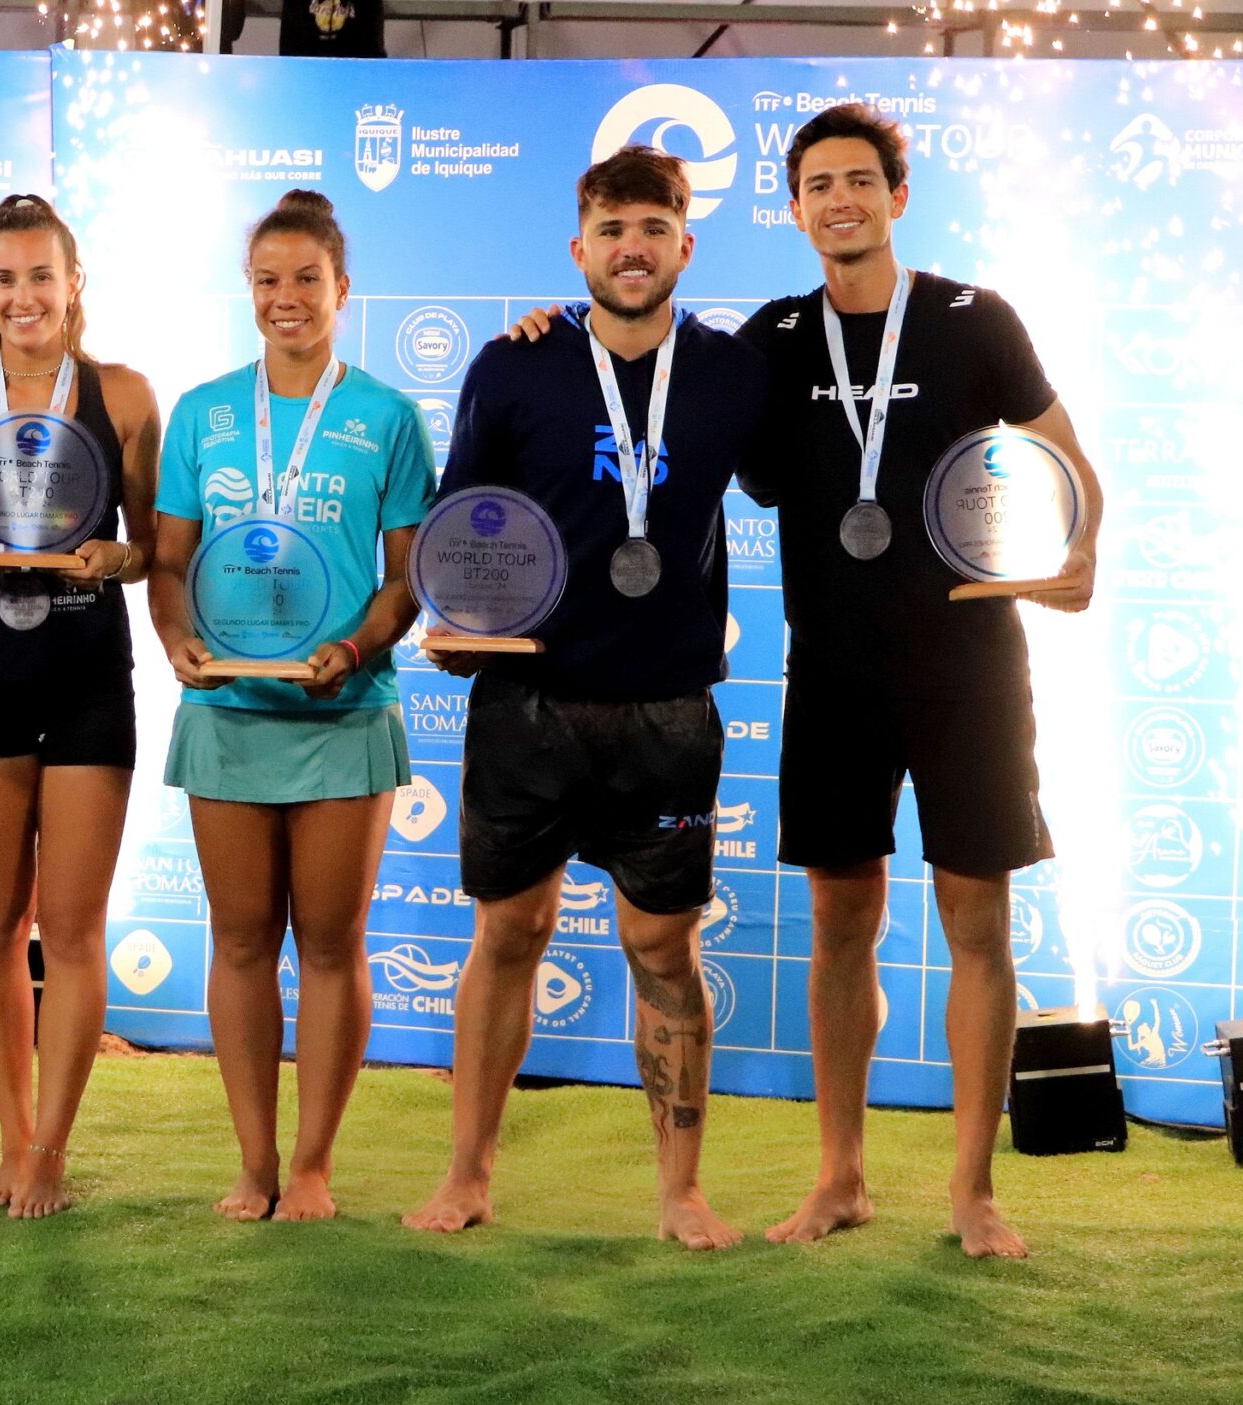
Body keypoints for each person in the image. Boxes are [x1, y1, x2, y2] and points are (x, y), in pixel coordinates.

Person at [743, 104, 1100, 1259]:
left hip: (971, 670)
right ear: (792, 208)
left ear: (897, 197)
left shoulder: (970, 319)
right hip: (833, 673)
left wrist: (1079, 549)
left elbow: (1066, 465)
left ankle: (970, 1191)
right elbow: (672, 410)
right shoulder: (773, 337)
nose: (838, 200)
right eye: (816, 185)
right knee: (839, 924)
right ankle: (840, 1175)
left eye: (858, 180)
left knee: (975, 923)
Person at [402, 146, 764, 1251]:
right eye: (610, 229)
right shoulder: (514, 364)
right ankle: (467, 1176)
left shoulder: (731, 371)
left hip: (665, 714)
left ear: (684, 246)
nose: (631, 248)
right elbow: (461, 528)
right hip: (529, 703)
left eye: (652, 228)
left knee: (662, 949)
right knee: (508, 931)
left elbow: (818, 476)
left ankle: (679, 1190)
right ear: (579, 248)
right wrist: (452, 629)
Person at [146, 189, 436, 1222]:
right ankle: (254, 1160)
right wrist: (172, 636)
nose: (286, 299)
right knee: (237, 939)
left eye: (306, 279)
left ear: (342, 288)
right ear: (248, 290)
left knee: (328, 943)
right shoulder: (202, 412)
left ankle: (312, 1163)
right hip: (229, 711)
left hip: (343, 712)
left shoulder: (387, 419)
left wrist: (355, 644)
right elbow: (170, 562)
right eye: (267, 280)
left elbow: (407, 575)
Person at [0, 194, 159, 1219]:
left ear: (74, 282)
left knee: (74, 926)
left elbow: (154, 548)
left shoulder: (127, 395)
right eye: (3, 280)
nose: (23, 298)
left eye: (39, 277)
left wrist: (117, 556)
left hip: (90, 667)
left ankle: (53, 1143)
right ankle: (11, 1136)